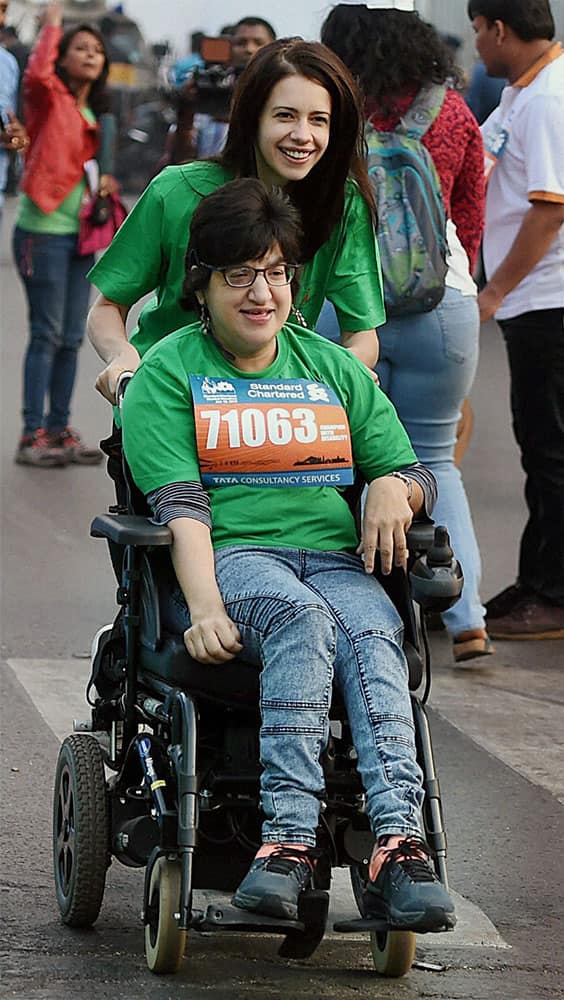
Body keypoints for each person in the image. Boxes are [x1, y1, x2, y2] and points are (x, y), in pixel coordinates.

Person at [121, 177, 456, 931]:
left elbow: (413, 472)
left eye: (274, 272)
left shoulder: (332, 367)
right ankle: (286, 847)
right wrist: (203, 608)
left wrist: (391, 491)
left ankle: (398, 847)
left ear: (293, 282)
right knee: (304, 621)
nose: (260, 292)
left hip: (337, 559)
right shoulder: (170, 374)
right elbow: (182, 509)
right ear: (201, 285)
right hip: (236, 558)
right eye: (239, 274)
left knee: (376, 638)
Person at [321, 3, 491, 665]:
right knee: (436, 461)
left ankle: (367, 619)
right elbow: (470, 219)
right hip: (441, 303)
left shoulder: (330, 109)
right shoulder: (452, 113)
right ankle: (468, 619)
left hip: (348, 302)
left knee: (345, 459)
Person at [87, 36, 384, 413]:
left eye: (319, 120)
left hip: (278, 419)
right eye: (285, 115)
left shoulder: (344, 203)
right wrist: (123, 360)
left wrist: (341, 375)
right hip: (167, 407)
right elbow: (107, 306)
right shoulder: (176, 191)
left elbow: (362, 336)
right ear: (252, 117)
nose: (303, 135)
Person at [468, 0, 564, 639]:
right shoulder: (521, 93)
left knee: (552, 450)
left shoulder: (551, 98)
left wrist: (494, 289)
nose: (476, 43)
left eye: (477, 30)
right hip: (532, 301)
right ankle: (536, 579)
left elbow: (551, 207)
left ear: (500, 28)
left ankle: (553, 596)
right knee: (539, 446)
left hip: (547, 299)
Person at [13, 1, 116, 467]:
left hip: (80, 238)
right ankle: (32, 432)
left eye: (97, 49)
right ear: (63, 57)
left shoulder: (98, 111)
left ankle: (58, 429)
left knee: (73, 336)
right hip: (43, 231)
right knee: (46, 332)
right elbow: (36, 73)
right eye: (81, 47)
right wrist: (54, 20)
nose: (91, 54)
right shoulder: (47, 95)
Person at [169, 17, 277, 165]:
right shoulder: (209, 89)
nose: (249, 49)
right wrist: (186, 108)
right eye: (241, 43)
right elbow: (182, 158)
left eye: (258, 43)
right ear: (228, 48)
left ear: (273, 48)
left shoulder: (280, 94)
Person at [0, 0, 28, 217]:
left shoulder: (8, 63)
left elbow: (12, 120)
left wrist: (17, 137)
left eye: (4, 10)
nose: (2, 19)